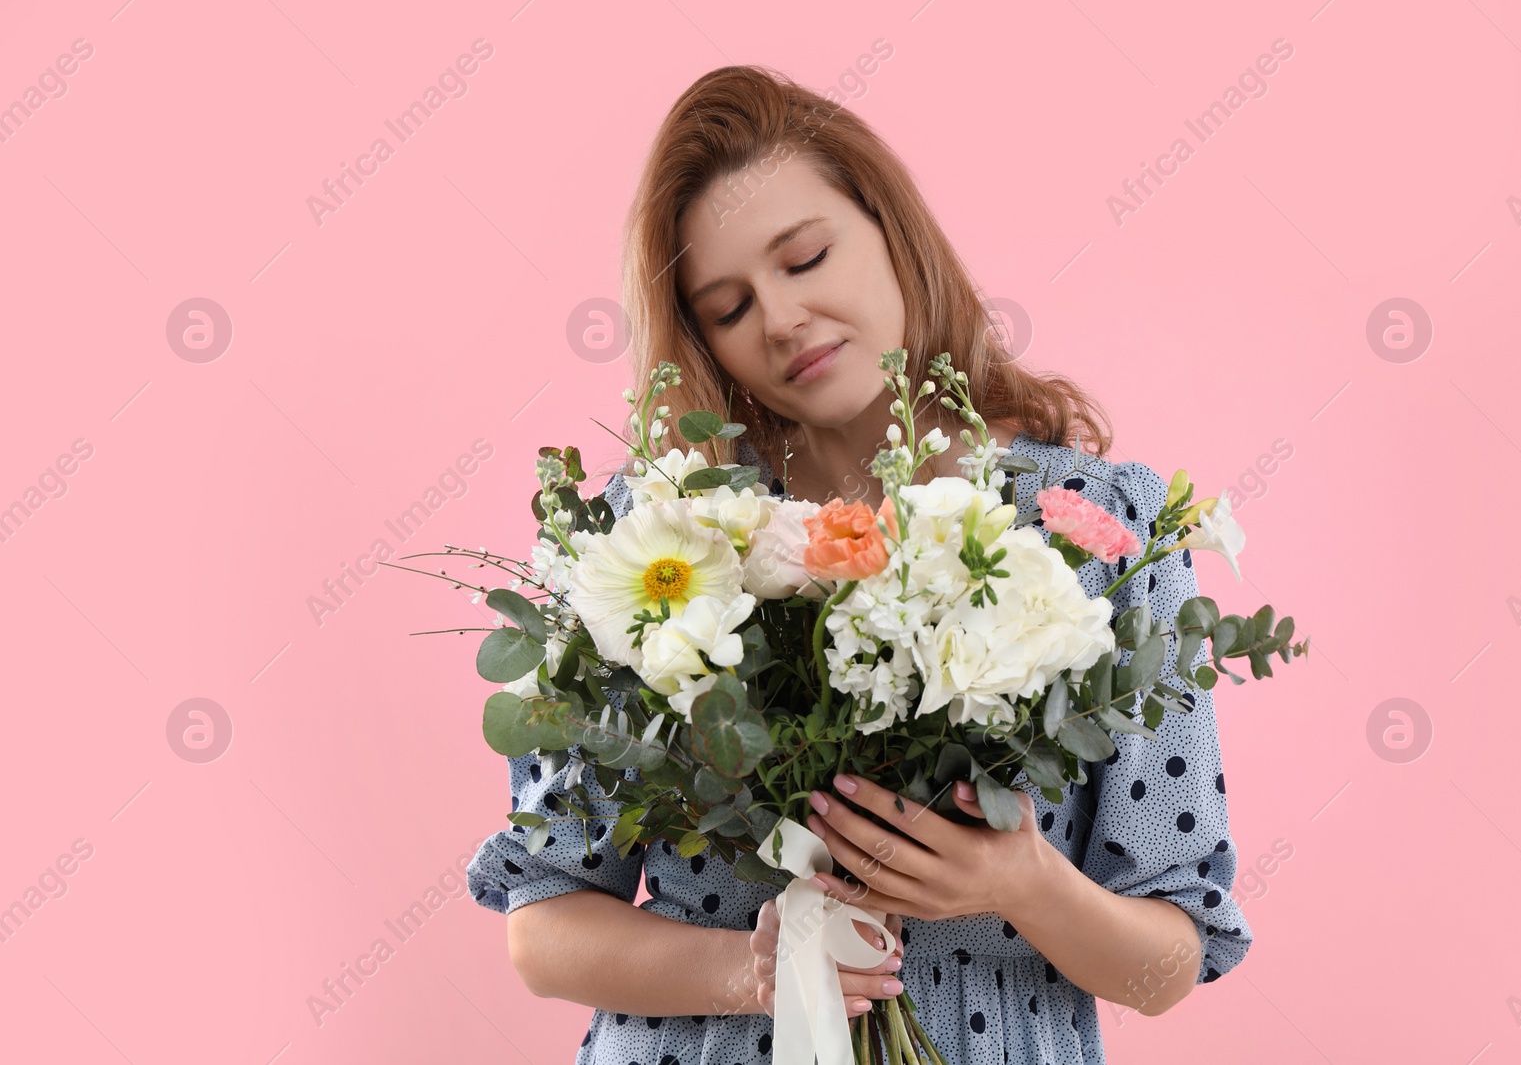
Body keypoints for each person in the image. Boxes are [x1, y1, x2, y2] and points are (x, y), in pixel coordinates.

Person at [465, 64, 1252, 1064]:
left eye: (805, 257)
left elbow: (1169, 964)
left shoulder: (1099, 530)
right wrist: (756, 974)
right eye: (728, 305)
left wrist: (1022, 882)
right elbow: (543, 924)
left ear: (891, 231)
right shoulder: (650, 543)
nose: (781, 317)